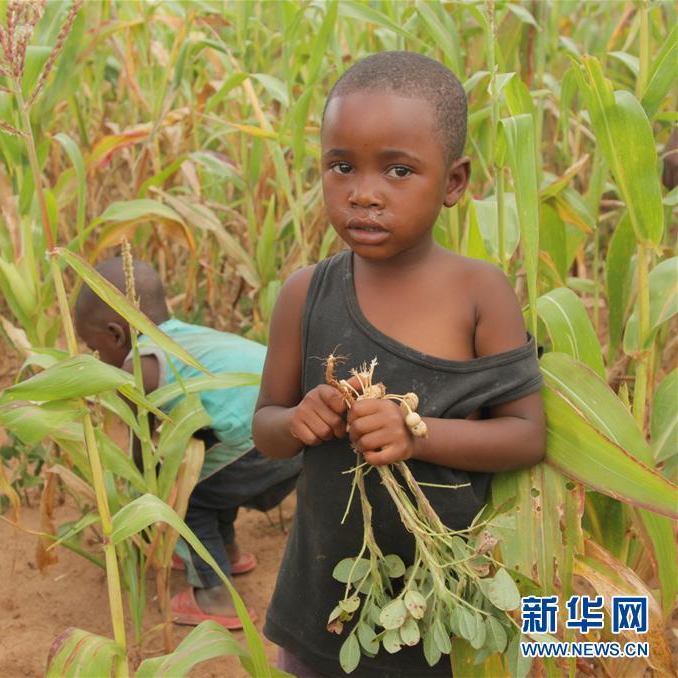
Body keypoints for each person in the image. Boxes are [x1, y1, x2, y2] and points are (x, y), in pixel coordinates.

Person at [252, 52, 546, 677]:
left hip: (449, 606)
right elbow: (266, 429)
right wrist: (300, 419)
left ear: (454, 182)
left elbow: (526, 435)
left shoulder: (480, 294)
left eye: (398, 170)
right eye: (341, 167)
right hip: (326, 604)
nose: (364, 193)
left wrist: (416, 434)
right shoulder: (305, 294)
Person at [73, 257, 302, 630]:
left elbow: (143, 452)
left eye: (92, 349)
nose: (94, 358)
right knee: (208, 476)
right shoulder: (185, 336)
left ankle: (215, 595)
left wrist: (148, 509)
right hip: (295, 422)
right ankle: (226, 551)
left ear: (116, 335)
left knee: (182, 498)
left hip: (263, 437)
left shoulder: (138, 367)